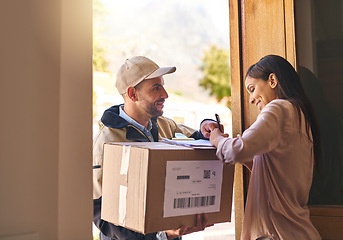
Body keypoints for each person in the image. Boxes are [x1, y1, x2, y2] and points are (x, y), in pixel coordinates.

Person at [93, 56, 219, 240]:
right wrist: (160, 235)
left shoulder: (163, 125)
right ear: (132, 94)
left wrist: (207, 125)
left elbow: (198, 138)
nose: (165, 94)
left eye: (163, 85)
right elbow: (99, 211)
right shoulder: (106, 143)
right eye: (156, 87)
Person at [207, 55, 322, 240]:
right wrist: (248, 158)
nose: (251, 99)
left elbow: (236, 150)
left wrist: (217, 139)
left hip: (276, 234)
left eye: (252, 89)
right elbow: (280, 170)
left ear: (272, 80)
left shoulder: (278, 108)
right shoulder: (300, 115)